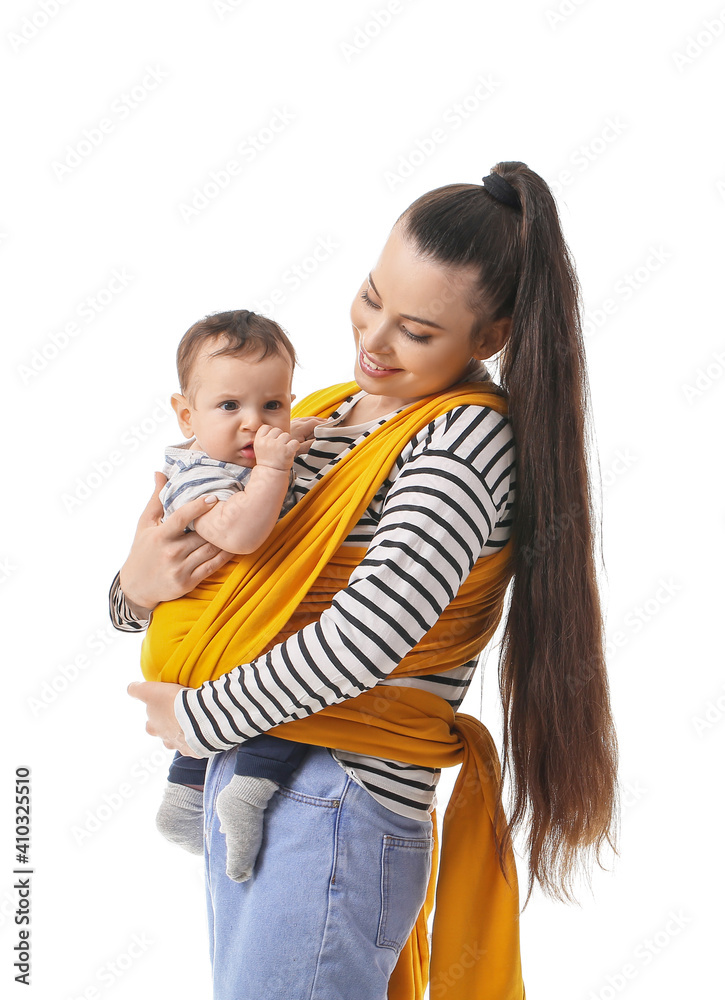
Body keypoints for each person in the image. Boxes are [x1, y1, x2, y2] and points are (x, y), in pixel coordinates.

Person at [117, 161, 619, 1000]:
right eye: (370, 296)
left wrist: (198, 718)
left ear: (487, 338)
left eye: (416, 331)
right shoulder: (313, 412)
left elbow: (366, 634)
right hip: (251, 780)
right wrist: (134, 587)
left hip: (334, 790)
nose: (372, 341)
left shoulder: (461, 441)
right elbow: (210, 571)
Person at [135, 309, 325, 880]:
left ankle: (184, 799)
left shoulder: (237, 457)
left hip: (216, 639)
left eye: (273, 405)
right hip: (209, 638)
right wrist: (272, 468)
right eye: (229, 407)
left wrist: (298, 437)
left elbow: (280, 447)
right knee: (297, 695)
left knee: (283, 678)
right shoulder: (197, 475)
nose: (253, 424)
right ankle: (250, 790)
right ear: (186, 414)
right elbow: (240, 534)